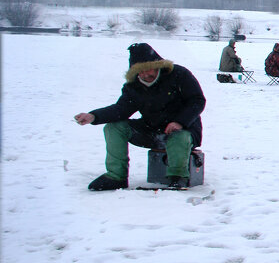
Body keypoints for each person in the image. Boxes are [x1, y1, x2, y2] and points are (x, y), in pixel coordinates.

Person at [73, 43, 206, 191]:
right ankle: (117, 177)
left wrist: (179, 122)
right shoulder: (133, 87)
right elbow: (121, 109)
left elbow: (197, 100)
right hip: (152, 131)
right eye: (139, 71)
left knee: (179, 136)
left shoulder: (179, 75)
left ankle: (178, 178)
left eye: (147, 69)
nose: (144, 74)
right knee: (114, 128)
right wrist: (93, 116)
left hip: (184, 131)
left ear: (157, 65)